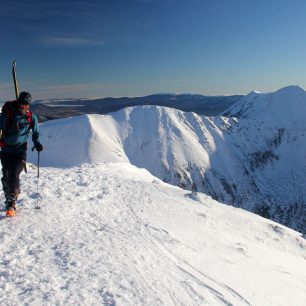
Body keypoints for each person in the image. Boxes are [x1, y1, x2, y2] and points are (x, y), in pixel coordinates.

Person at [0, 92, 43, 217]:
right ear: (18, 102)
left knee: (14, 174)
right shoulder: (8, 114)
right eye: (22, 103)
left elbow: (35, 133)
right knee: (6, 175)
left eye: (26, 104)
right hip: (6, 150)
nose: (24, 106)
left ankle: (11, 202)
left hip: (20, 151)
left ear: (29, 104)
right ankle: (9, 196)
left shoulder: (31, 118)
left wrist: (37, 143)